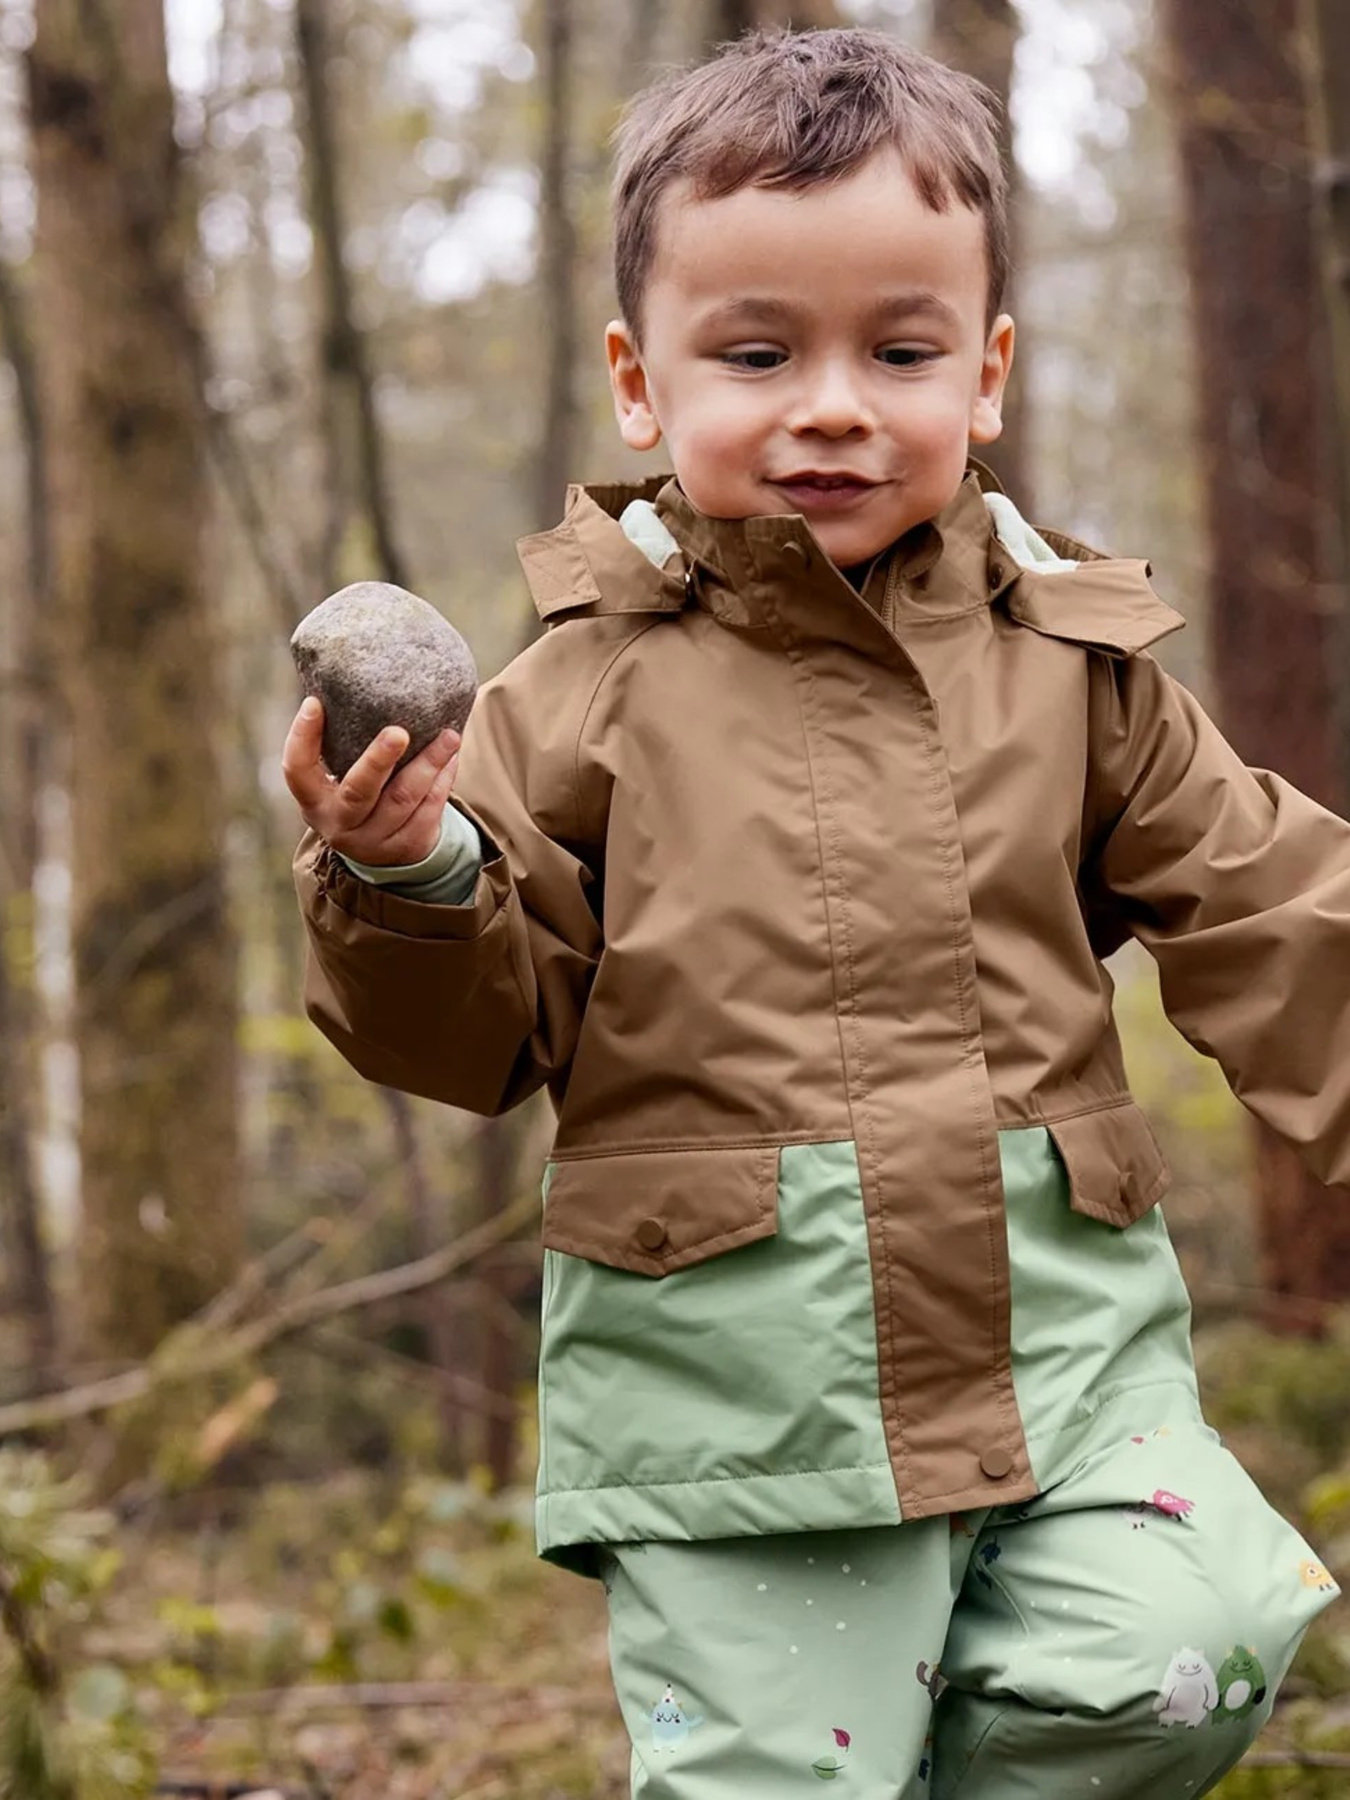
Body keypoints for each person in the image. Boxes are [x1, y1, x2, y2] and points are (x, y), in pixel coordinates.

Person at [283, 27, 1346, 1799]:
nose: (834, 402)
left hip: (1060, 1353)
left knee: (1196, 1641)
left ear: (986, 369)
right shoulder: (576, 698)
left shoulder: (1069, 665)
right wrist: (406, 876)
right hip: (735, 1393)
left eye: (901, 349)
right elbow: (477, 1031)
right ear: (643, 380)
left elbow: (1277, 903)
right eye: (759, 353)